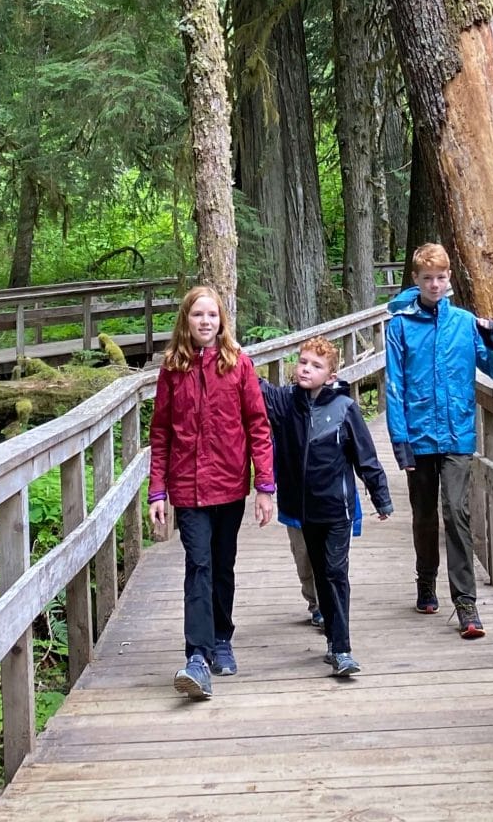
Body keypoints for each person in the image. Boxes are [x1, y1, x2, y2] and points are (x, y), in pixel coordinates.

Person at [148, 286, 276, 699]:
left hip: (229, 483)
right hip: (187, 488)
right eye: (198, 315)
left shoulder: (238, 365)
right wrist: (156, 492)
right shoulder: (172, 369)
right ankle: (197, 657)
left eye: (213, 315)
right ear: (186, 321)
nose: (206, 322)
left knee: (222, 566)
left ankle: (223, 639)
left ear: (222, 321)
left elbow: (258, 425)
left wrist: (264, 486)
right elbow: (161, 433)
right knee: (198, 566)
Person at [384, 242, 493, 638]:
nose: (435, 285)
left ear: (449, 278)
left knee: (456, 512)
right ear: (416, 281)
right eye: (427, 279)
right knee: (423, 516)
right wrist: (400, 440)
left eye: (441, 278)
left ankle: (466, 604)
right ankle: (425, 580)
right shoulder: (400, 326)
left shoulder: (464, 323)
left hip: (457, 434)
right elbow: (394, 387)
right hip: (418, 436)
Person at [261, 337, 393, 679]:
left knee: (335, 573)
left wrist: (381, 497)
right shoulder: (284, 402)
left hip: (337, 508)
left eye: (316, 366)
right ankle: (334, 641)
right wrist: (222, 343)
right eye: (303, 362)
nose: (306, 369)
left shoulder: (344, 408)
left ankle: (342, 647)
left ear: (331, 375)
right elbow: (251, 383)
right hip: (303, 510)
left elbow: (366, 456)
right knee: (321, 573)